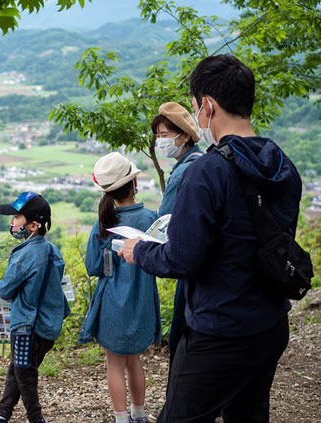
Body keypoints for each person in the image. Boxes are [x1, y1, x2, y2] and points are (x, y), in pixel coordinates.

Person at [119, 54, 302, 422]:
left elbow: (183, 257)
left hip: (221, 331)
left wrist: (140, 252)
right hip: (269, 323)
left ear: (207, 106)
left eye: (194, 107)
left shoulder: (206, 172)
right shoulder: (281, 164)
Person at [79, 153, 161, 423]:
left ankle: (121, 418)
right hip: (142, 301)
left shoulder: (104, 223)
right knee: (134, 359)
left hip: (112, 302)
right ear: (135, 183)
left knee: (114, 362)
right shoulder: (151, 218)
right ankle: (139, 414)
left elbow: (93, 267)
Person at [0, 192, 70, 423]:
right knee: (18, 368)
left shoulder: (25, 256)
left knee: (25, 376)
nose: (12, 222)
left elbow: (4, 290)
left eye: (16, 217)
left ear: (34, 225)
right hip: (48, 327)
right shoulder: (53, 251)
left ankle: (36, 419)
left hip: (27, 329)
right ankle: (1, 414)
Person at [151, 102, 202, 367]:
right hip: (207, 266)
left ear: (184, 136)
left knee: (179, 342)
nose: (160, 142)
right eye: (157, 136)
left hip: (189, 269)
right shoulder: (204, 162)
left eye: (165, 135)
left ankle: (177, 404)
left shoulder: (182, 172)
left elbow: (165, 222)